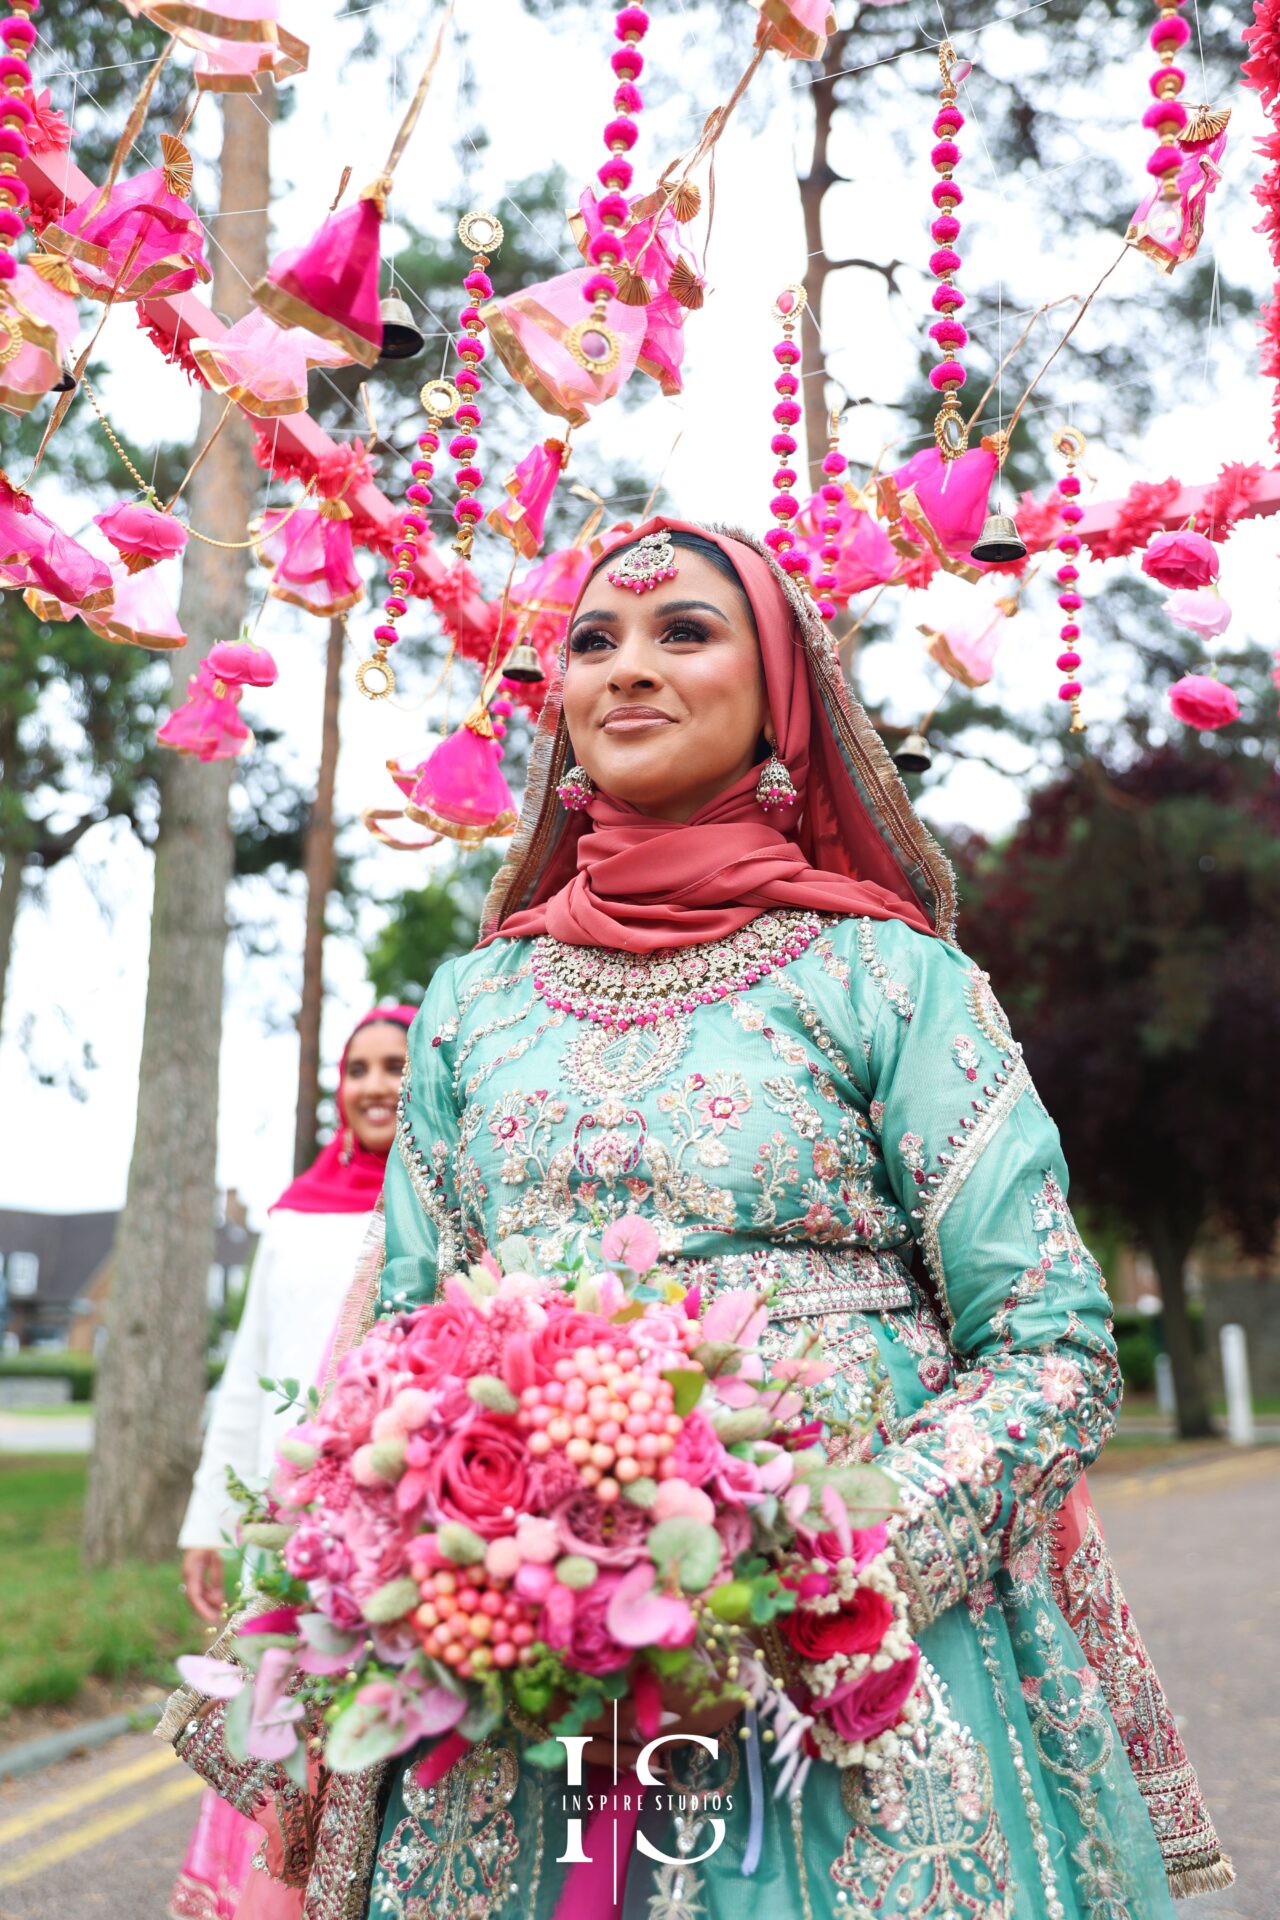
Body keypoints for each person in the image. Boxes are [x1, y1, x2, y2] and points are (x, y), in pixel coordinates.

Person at [166, 522, 1230, 1918]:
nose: (626, 671)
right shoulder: (476, 1004)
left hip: (846, 1659)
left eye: (683, 632)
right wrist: (424, 1554)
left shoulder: (891, 979)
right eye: (592, 644)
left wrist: (818, 1560)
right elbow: (400, 1347)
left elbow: (1051, 1344)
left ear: (781, 693)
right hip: (514, 1678)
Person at [169, 1007, 414, 1920]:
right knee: (281, 1730)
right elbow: (246, 1378)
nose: (378, 1084)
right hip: (289, 1527)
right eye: (359, 1069)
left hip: (400, 1518)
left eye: (397, 1064)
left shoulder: (442, 1206)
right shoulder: (295, 1218)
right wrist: (207, 1524)